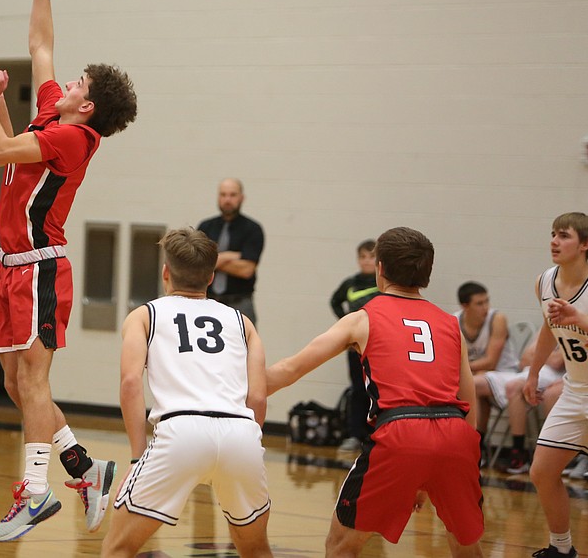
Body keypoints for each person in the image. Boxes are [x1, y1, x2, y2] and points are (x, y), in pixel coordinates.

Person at [0, 0, 138, 542]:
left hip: (41, 268)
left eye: (78, 82)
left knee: (36, 383)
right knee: (19, 385)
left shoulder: (74, 141)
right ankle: (87, 471)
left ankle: (37, 492)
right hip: (15, 265)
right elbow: (41, 45)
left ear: (87, 105)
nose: (64, 80)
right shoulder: (51, 113)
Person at [266, 226, 484, 557]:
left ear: (379, 269)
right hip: (457, 439)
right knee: (467, 550)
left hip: (400, 435)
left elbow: (290, 370)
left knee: (341, 546)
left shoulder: (362, 319)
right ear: (426, 272)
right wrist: (440, 466)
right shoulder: (450, 324)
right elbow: (468, 400)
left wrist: (229, 390)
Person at [101, 228, 272, 558]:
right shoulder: (242, 322)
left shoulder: (144, 315)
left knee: (118, 549)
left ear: (166, 272)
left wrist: (138, 457)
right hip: (241, 433)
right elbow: (258, 398)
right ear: (211, 277)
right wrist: (250, 443)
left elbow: (130, 384)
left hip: (180, 433)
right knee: (255, 550)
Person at [523, 211, 588, 558]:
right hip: (575, 390)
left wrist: (581, 320)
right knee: (542, 472)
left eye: (563, 235)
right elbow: (550, 328)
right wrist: (534, 372)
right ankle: (561, 550)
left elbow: (576, 321)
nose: (554, 241)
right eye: (552, 234)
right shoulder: (545, 281)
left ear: (585, 244)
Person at [481, 339, 564, 475]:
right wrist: (542, 355)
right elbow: (524, 360)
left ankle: (518, 452)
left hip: (555, 376)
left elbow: (556, 362)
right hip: (529, 372)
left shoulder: (573, 325)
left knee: (513, 387)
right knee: (476, 384)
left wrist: (537, 354)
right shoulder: (548, 323)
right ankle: (476, 446)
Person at [454, 280, 518, 453]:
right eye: (479, 303)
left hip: (505, 373)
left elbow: (491, 362)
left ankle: (471, 441)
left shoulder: (497, 319)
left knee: (471, 385)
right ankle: (474, 443)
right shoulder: (454, 321)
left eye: (487, 301)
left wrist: (466, 369)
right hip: (479, 376)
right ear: (465, 306)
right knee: (472, 385)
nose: (486, 307)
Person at [328, 239, 379, 454]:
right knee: (358, 389)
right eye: (363, 257)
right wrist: (345, 323)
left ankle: (375, 434)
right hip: (355, 347)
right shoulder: (351, 283)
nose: (367, 261)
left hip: (377, 347)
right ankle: (355, 434)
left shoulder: (382, 284)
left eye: (371, 257)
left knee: (377, 391)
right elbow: (334, 301)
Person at [196, 178, 264, 324]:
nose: (227, 199)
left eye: (232, 195)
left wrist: (212, 261)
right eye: (223, 195)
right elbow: (198, 267)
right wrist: (229, 256)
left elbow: (246, 270)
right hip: (207, 301)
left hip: (240, 303)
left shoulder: (253, 229)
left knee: (244, 346)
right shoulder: (205, 227)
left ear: (242, 198)